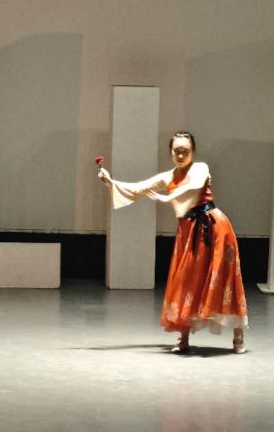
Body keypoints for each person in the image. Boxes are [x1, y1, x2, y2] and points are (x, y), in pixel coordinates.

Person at [97, 131, 249, 354]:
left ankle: (238, 334)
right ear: (170, 152)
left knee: (224, 278)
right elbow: (139, 188)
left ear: (193, 152)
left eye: (185, 151)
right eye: (176, 151)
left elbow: (193, 187)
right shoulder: (168, 176)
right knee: (185, 280)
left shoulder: (200, 169)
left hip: (214, 229)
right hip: (189, 232)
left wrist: (166, 197)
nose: (180, 155)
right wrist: (110, 182)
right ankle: (183, 336)